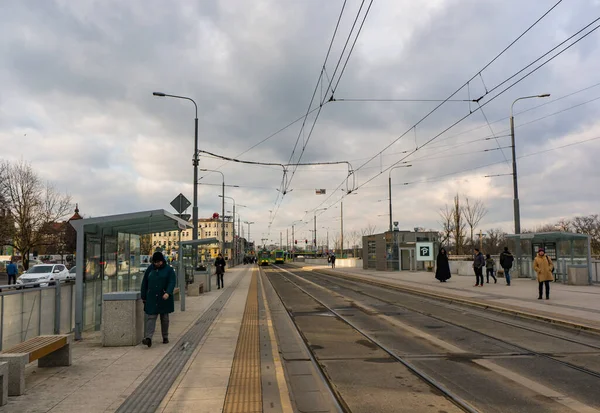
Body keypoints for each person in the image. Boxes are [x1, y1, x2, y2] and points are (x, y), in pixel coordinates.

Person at [140, 251, 176, 347]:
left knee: (164, 318)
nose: (157, 264)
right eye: (155, 262)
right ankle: (148, 338)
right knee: (151, 317)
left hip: (163, 297)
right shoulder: (150, 269)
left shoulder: (168, 270)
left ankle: (165, 336)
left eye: (158, 262)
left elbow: (172, 281)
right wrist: (143, 296)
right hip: (152, 297)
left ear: (162, 261)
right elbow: (145, 283)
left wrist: (168, 292)